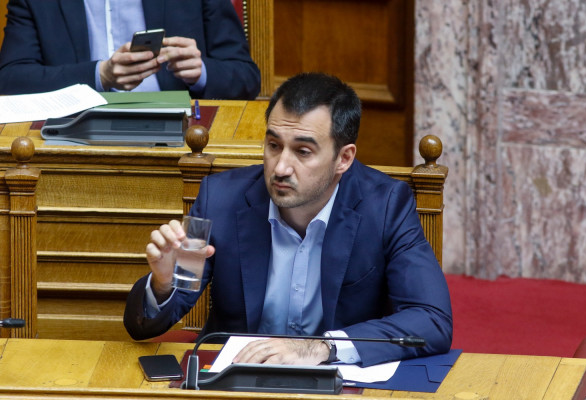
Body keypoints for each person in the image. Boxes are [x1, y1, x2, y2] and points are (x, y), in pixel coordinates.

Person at [123, 72, 453, 367]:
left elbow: (432, 320)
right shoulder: (218, 199)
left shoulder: (385, 206)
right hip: (239, 381)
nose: (280, 167)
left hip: (338, 383)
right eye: (273, 145)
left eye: (303, 151)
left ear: (344, 158)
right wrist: (163, 285)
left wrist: (322, 347)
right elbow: (147, 322)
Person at [0, 0, 260, 99]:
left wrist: (201, 72)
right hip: (71, 140)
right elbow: (9, 79)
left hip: (181, 140)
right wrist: (100, 75)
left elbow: (246, 78)